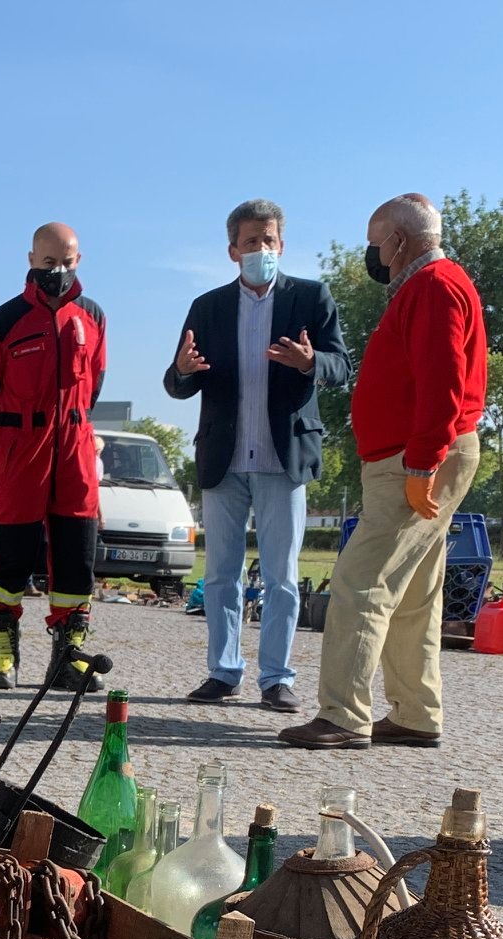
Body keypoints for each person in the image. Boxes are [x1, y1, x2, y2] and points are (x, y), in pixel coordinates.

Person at [281, 194, 487, 750]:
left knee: (361, 581)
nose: (373, 254)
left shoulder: (433, 287)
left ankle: (344, 716)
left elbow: (443, 382)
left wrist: (421, 461)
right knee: (416, 591)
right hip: (416, 456)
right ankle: (418, 713)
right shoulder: (433, 285)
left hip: (413, 459)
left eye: (375, 243)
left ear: (399, 239)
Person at [163, 198, 349, 714]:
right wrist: (182, 370)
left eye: (269, 241)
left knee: (282, 576)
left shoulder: (311, 298)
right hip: (224, 458)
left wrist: (312, 362)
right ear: (232, 250)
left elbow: (342, 366)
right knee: (220, 575)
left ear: (281, 245)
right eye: (251, 242)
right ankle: (224, 673)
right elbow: (177, 382)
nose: (260, 249)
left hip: (283, 457)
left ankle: (276, 679)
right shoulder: (207, 307)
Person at [0, 221, 109, 692]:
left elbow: (95, 384)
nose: (59, 270)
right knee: (10, 554)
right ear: (31, 260)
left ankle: (68, 656)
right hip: (20, 449)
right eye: (49, 262)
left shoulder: (93, 316)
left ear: (79, 259)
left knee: (76, 555)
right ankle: (4, 650)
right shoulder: (3, 322)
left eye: (67, 261)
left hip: (74, 447)